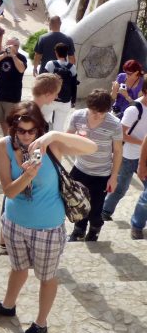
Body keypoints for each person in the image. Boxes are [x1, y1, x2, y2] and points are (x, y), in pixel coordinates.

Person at [0, 102, 97, 333]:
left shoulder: (50, 144)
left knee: (46, 276)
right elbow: (9, 191)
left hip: (48, 227)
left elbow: (92, 147)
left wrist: (53, 134)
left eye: (33, 131)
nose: (26, 136)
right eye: (21, 130)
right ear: (12, 128)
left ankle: (40, 323)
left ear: (40, 129)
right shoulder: (3, 146)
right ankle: (8, 306)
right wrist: (28, 175)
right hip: (14, 222)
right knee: (18, 267)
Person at [66, 90, 122, 242]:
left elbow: (117, 151)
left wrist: (114, 177)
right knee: (78, 204)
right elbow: (66, 137)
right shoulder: (78, 116)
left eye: (101, 113)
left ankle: (95, 229)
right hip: (80, 169)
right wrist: (75, 139)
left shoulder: (114, 124)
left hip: (102, 174)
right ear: (88, 106)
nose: (97, 115)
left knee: (95, 210)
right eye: (93, 112)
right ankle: (79, 230)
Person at [102, 78, 147, 222]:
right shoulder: (134, 109)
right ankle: (105, 211)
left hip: (144, 155)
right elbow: (121, 134)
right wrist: (143, 143)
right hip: (129, 156)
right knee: (121, 188)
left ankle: (137, 223)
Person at [0, 37, 27, 135]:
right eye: (7, 45)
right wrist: (4, 55)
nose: (8, 47)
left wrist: (13, 56)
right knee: (1, 120)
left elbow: (21, 69)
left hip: (13, 96)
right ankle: (6, 137)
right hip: (0, 94)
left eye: (11, 45)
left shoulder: (21, 58)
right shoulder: (2, 55)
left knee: (11, 121)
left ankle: (11, 139)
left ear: (17, 47)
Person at [44, 42, 78, 131]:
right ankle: (55, 143)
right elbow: (74, 85)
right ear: (66, 53)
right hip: (65, 100)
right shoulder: (72, 67)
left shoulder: (50, 64)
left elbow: (43, 82)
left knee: (43, 122)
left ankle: (42, 141)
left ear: (56, 52)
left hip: (49, 99)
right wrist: (73, 100)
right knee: (58, 127)